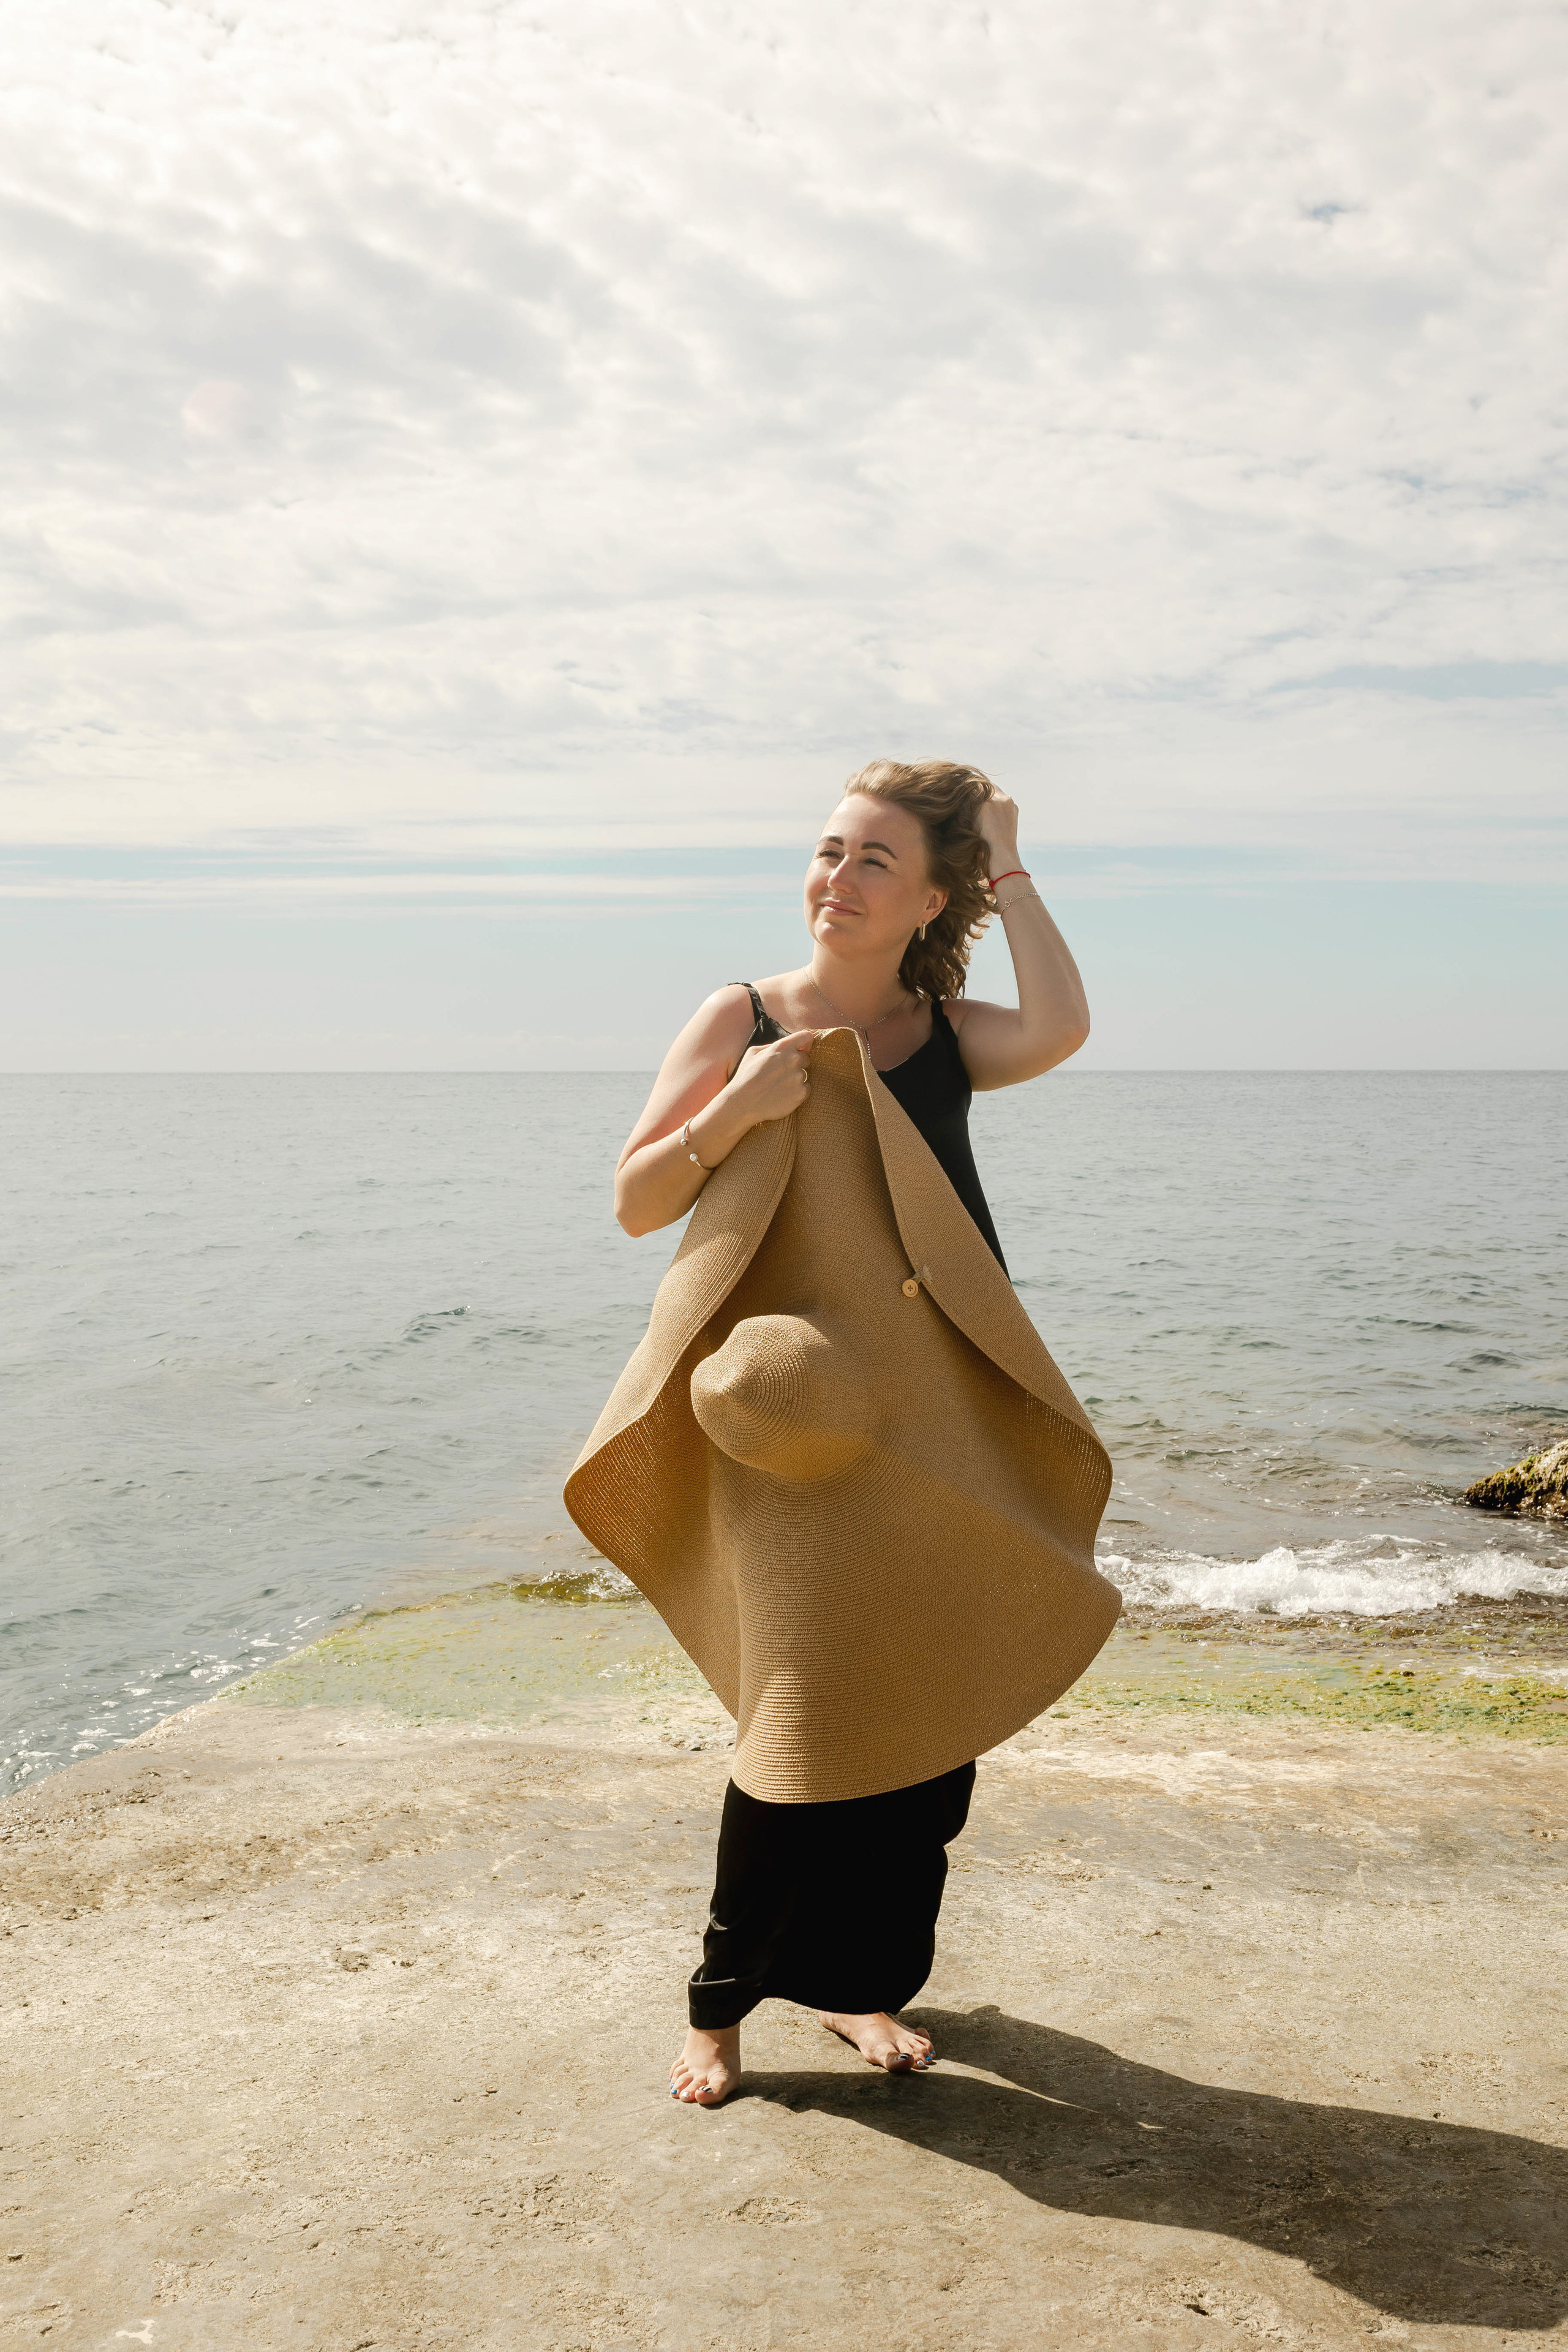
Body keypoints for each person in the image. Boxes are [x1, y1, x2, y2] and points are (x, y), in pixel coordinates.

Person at [611, 758, 1093, 2107]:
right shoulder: (744, 1013)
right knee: (798, 1724)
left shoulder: (942, 1031)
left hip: (936, 1412)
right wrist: (736, 1110)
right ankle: (716, 2013)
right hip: (793, 1419)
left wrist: (1011, 861)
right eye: (828, 850)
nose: (836, 877)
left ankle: (856, 1986)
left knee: (932, 1728)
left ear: (931, 895)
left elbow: (1059, 1026)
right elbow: (636, 1199)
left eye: (874, 859)